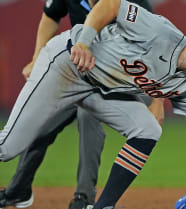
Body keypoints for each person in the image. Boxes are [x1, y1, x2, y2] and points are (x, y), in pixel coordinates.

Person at [0, 0, 186, 209]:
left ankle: (104, 206)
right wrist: (84, 42)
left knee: (148, 129)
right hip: (67, 66)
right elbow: (111, 4)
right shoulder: (161, 32)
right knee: (7, 148)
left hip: (99, 91)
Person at [0, 1, 160, 209]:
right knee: (39, 125)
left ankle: (84, 198)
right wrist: (36, 56)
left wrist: (157, 100)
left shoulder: (133, 3)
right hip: (72, 71)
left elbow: (155, 46)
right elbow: (50, 15)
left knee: (88, 118)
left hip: (107, 80)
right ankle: (19, 190)